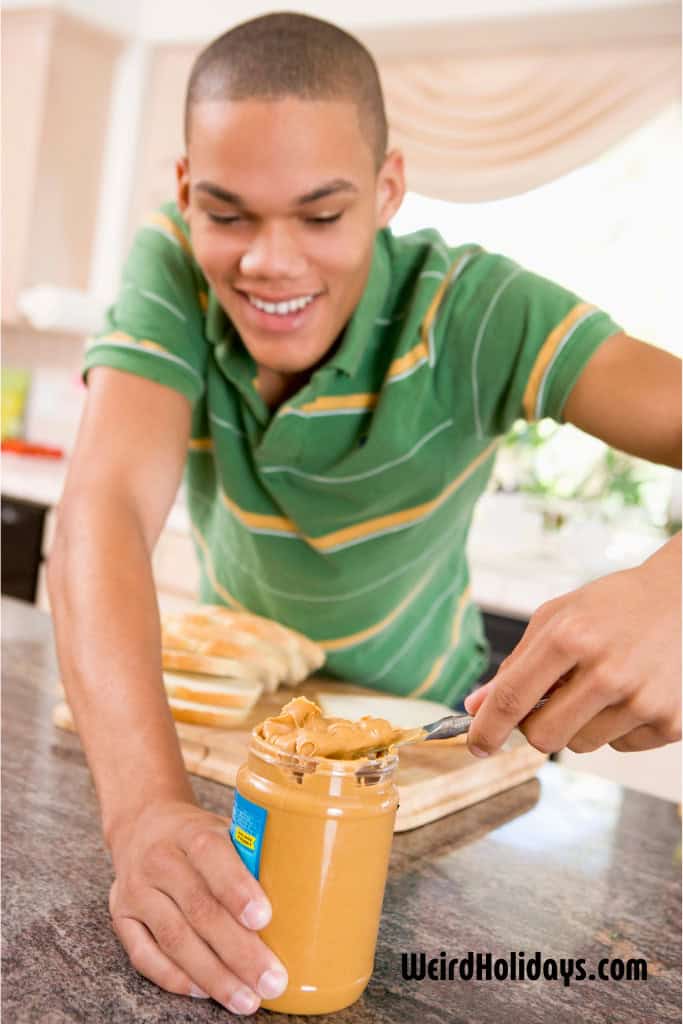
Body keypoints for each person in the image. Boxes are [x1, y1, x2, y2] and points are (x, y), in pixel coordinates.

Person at [47, 11, 681, 1016]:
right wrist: (146, 811)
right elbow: (104, 511)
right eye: (228, 214)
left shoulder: (475, 310)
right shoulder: (168, 268)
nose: (269, 264)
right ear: (183, 194)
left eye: (320, 214)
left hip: (421, 761)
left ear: (386, 189)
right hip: (226, 755)